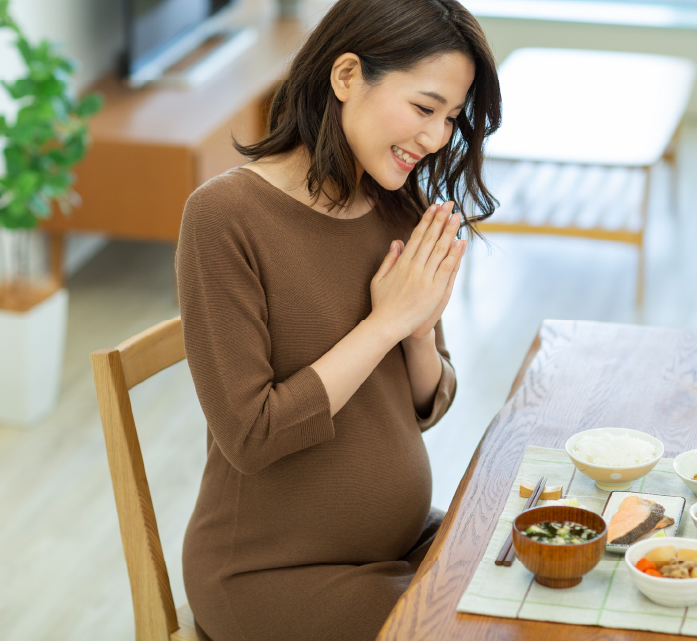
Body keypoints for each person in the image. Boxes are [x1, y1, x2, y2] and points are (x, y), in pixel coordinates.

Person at [174, 1, 501, 640]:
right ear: (347, 76)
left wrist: (415, 334)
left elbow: (424, 404)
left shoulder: (397, 204)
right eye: (424, 108)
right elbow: (251, 435)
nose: (437, 139)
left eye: (451, 118)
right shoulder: (225, 218)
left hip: (402, 542)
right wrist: (384, 324)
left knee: (541, 586)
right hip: (272, 572)